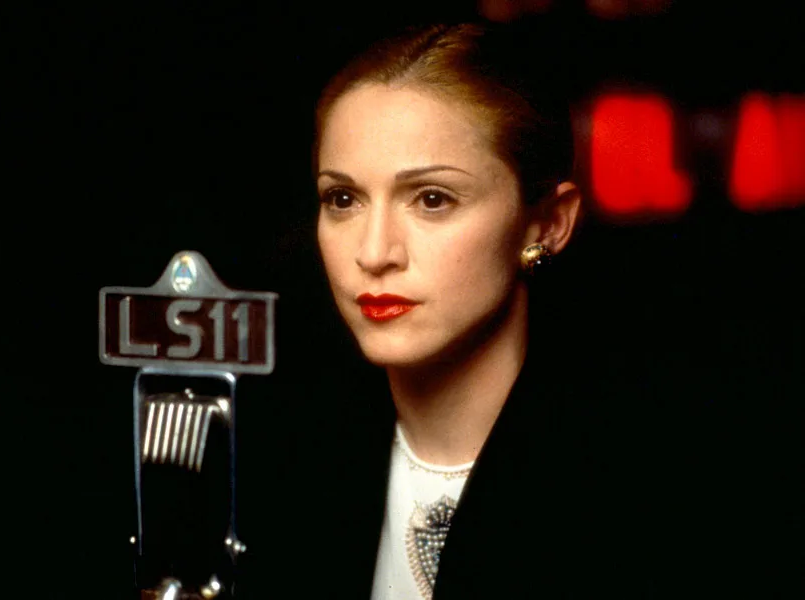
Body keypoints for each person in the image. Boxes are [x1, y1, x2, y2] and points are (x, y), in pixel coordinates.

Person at [237, 21, 661, 599]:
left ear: (547, 223)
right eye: (343, 199)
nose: (374, 253)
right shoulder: (278, 472)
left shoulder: (641, 492)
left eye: (432, 199)